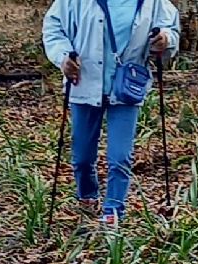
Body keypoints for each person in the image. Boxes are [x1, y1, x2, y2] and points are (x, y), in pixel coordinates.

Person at [41, 0, 180, 226]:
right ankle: (87, 197)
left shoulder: (153, 2)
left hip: (127, 87)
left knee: (120, 157)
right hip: (84, 82)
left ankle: (113, 211)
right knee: (83, 158)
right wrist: (63, 57)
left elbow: (170, 28)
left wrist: (165, 40)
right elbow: (53, 27)